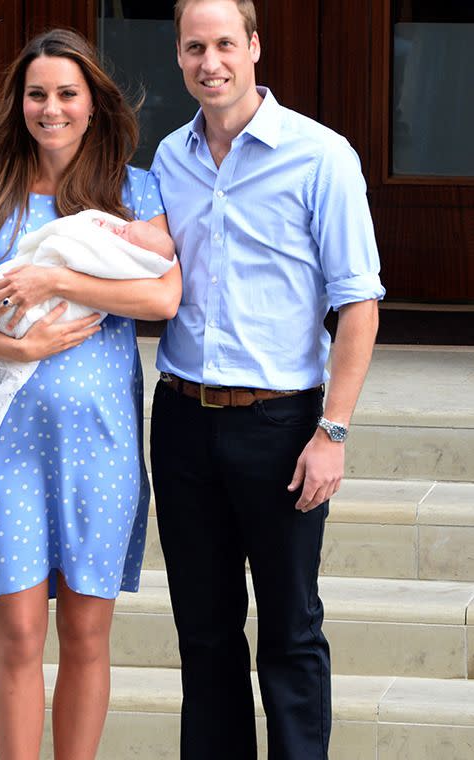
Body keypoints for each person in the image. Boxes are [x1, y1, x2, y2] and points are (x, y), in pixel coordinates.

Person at [0, 28, 181, 760]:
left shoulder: (134, 192)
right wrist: (23, 346)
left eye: (67, 93)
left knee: (86, 633)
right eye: (37, 94)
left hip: (100, 444)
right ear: (20, 105)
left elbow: (163, 296)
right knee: (16, 632)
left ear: (93, 104)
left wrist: (58, 279)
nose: (52, 108)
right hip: (8, 446)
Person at [149, 1, 385, 758]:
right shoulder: (167, 160)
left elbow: (358, 304)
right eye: (194, 47)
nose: (209, 61)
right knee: (205, 635)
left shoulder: (321, 156)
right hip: (182, 420)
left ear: (253, 46)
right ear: (179, 56)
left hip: (281, 426)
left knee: (289, 631)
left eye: (224, 43)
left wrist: (333, 431)